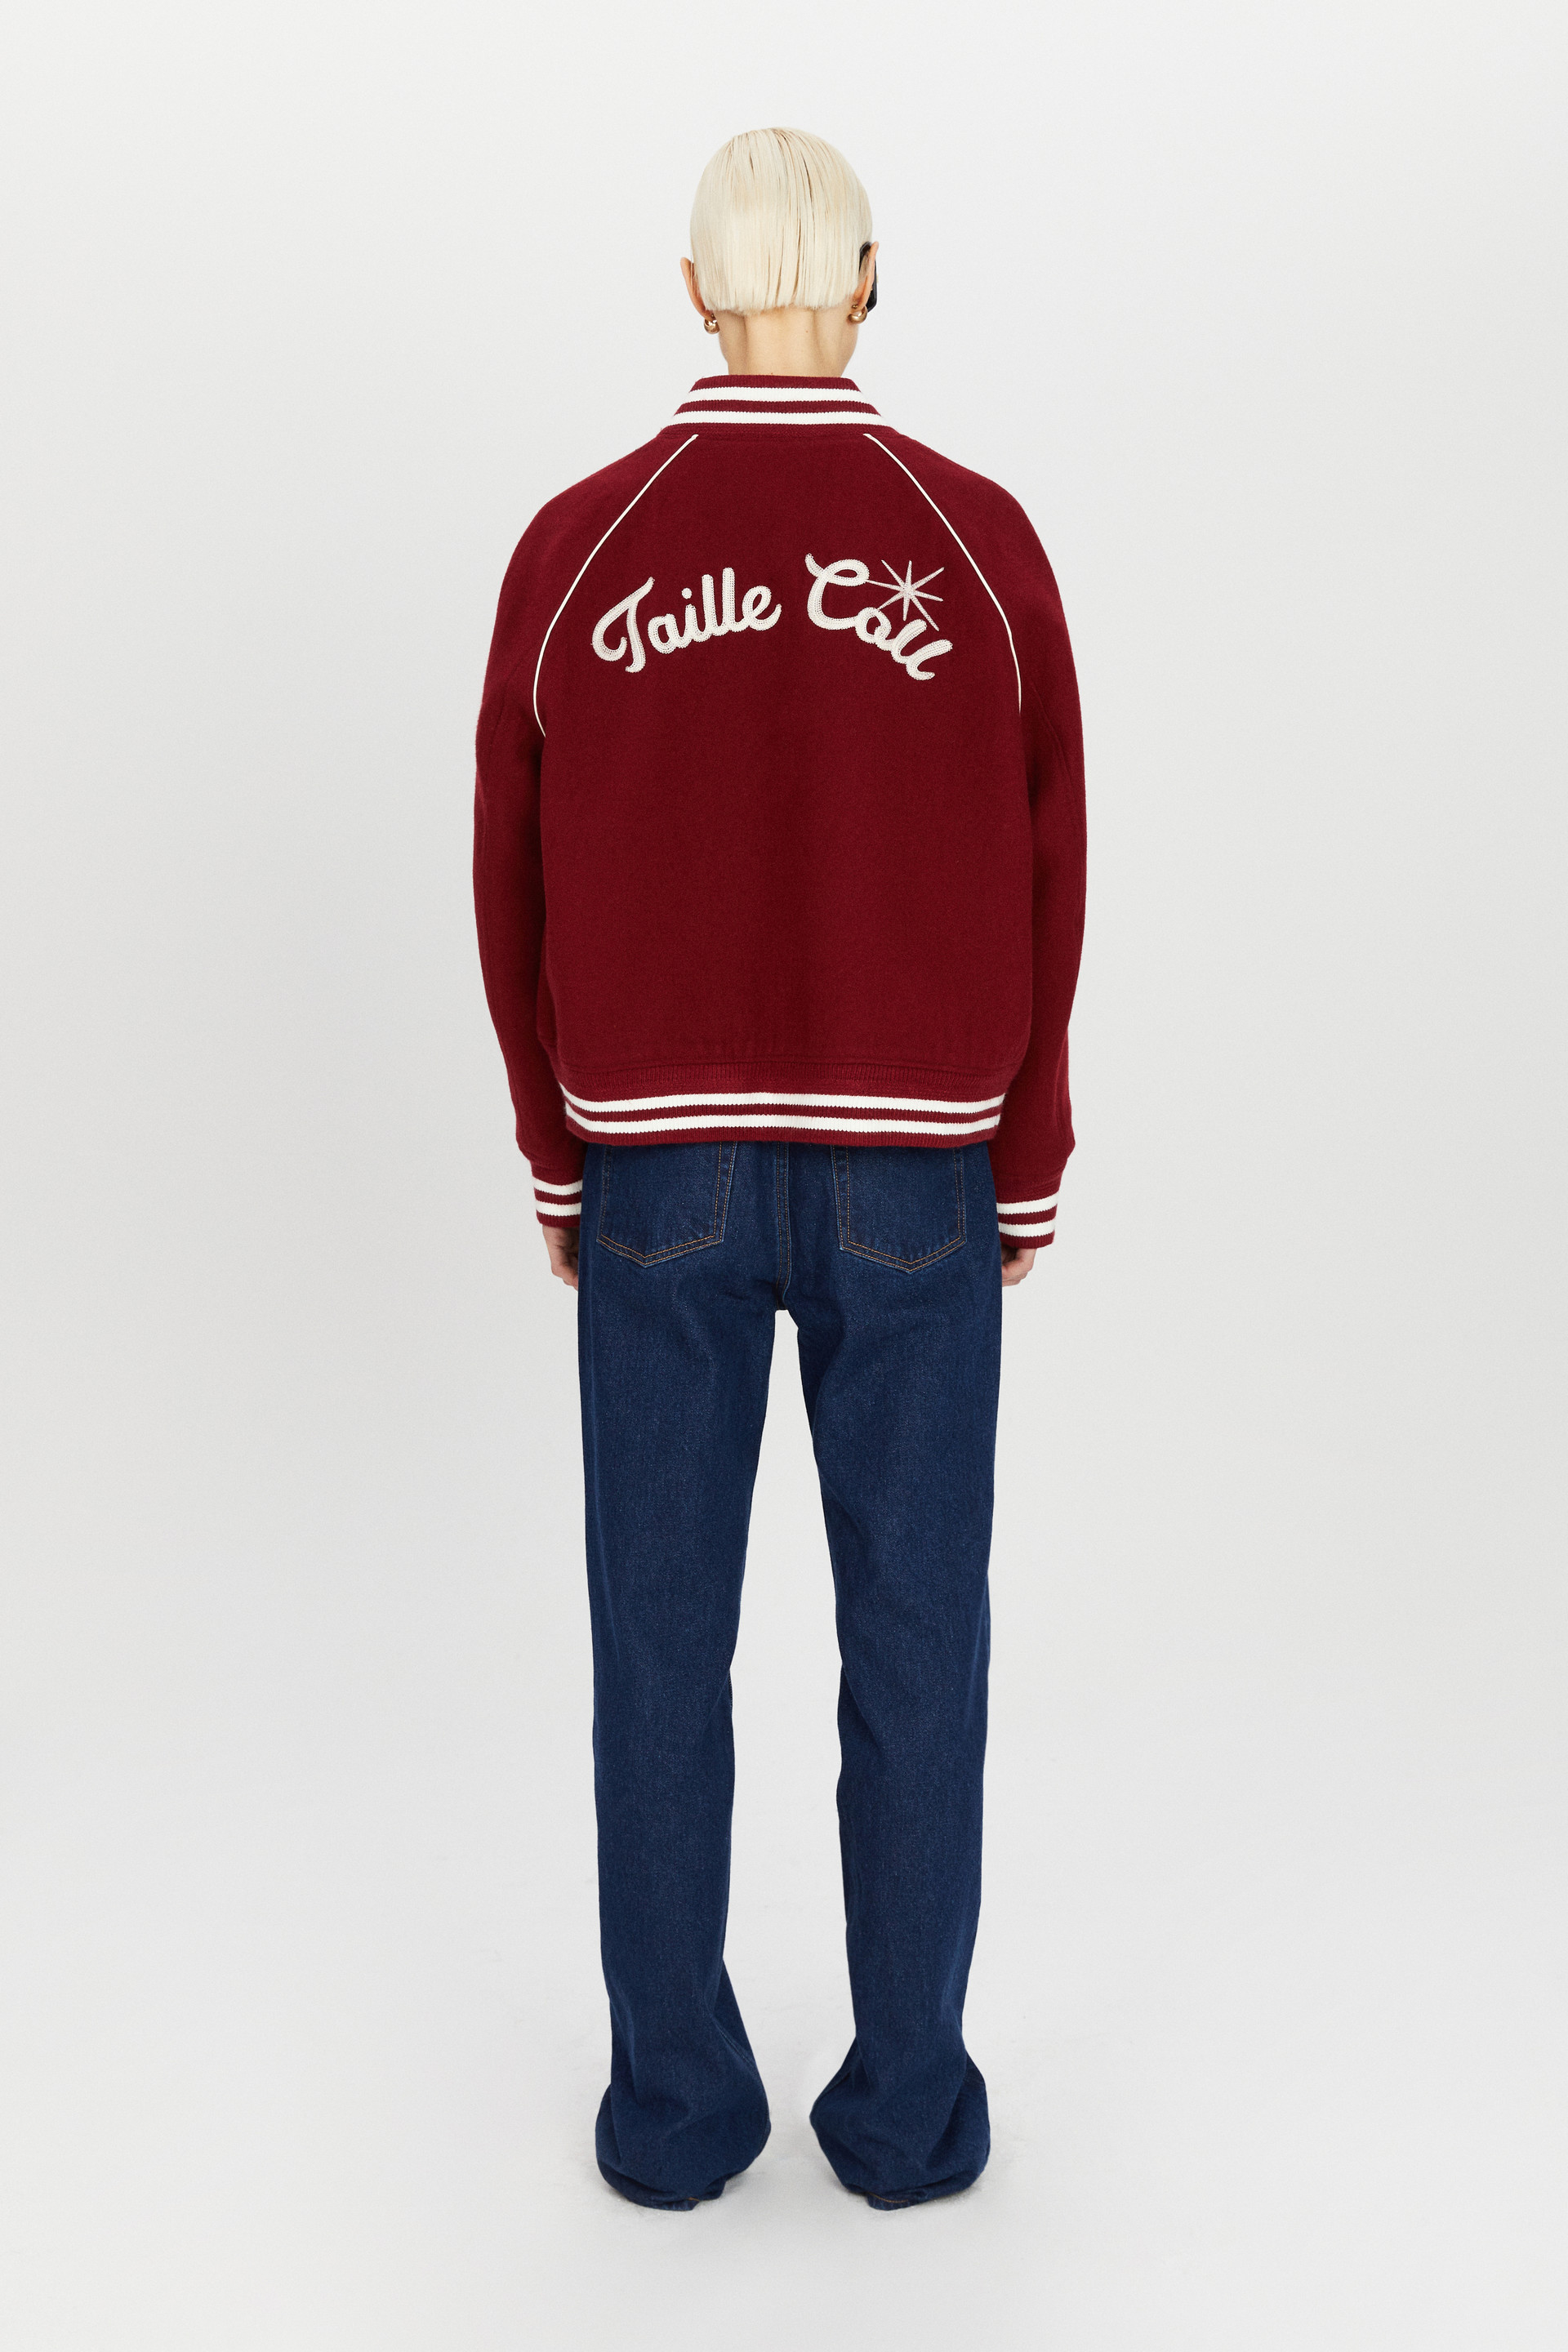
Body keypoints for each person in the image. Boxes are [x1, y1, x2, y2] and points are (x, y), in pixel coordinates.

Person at [474, 127, 1085, 2212]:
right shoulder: (979, 546)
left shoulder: (578, 551)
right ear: (872, 275)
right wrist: (1027, 1157)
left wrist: (560, 1153)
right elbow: (1050, 871)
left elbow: (509, 876)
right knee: (917, 1646)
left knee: (659, 1649)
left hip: (662, 1172)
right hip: (917, 1169)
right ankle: (907, 2113)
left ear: (692, 289)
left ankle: (673, 2119)